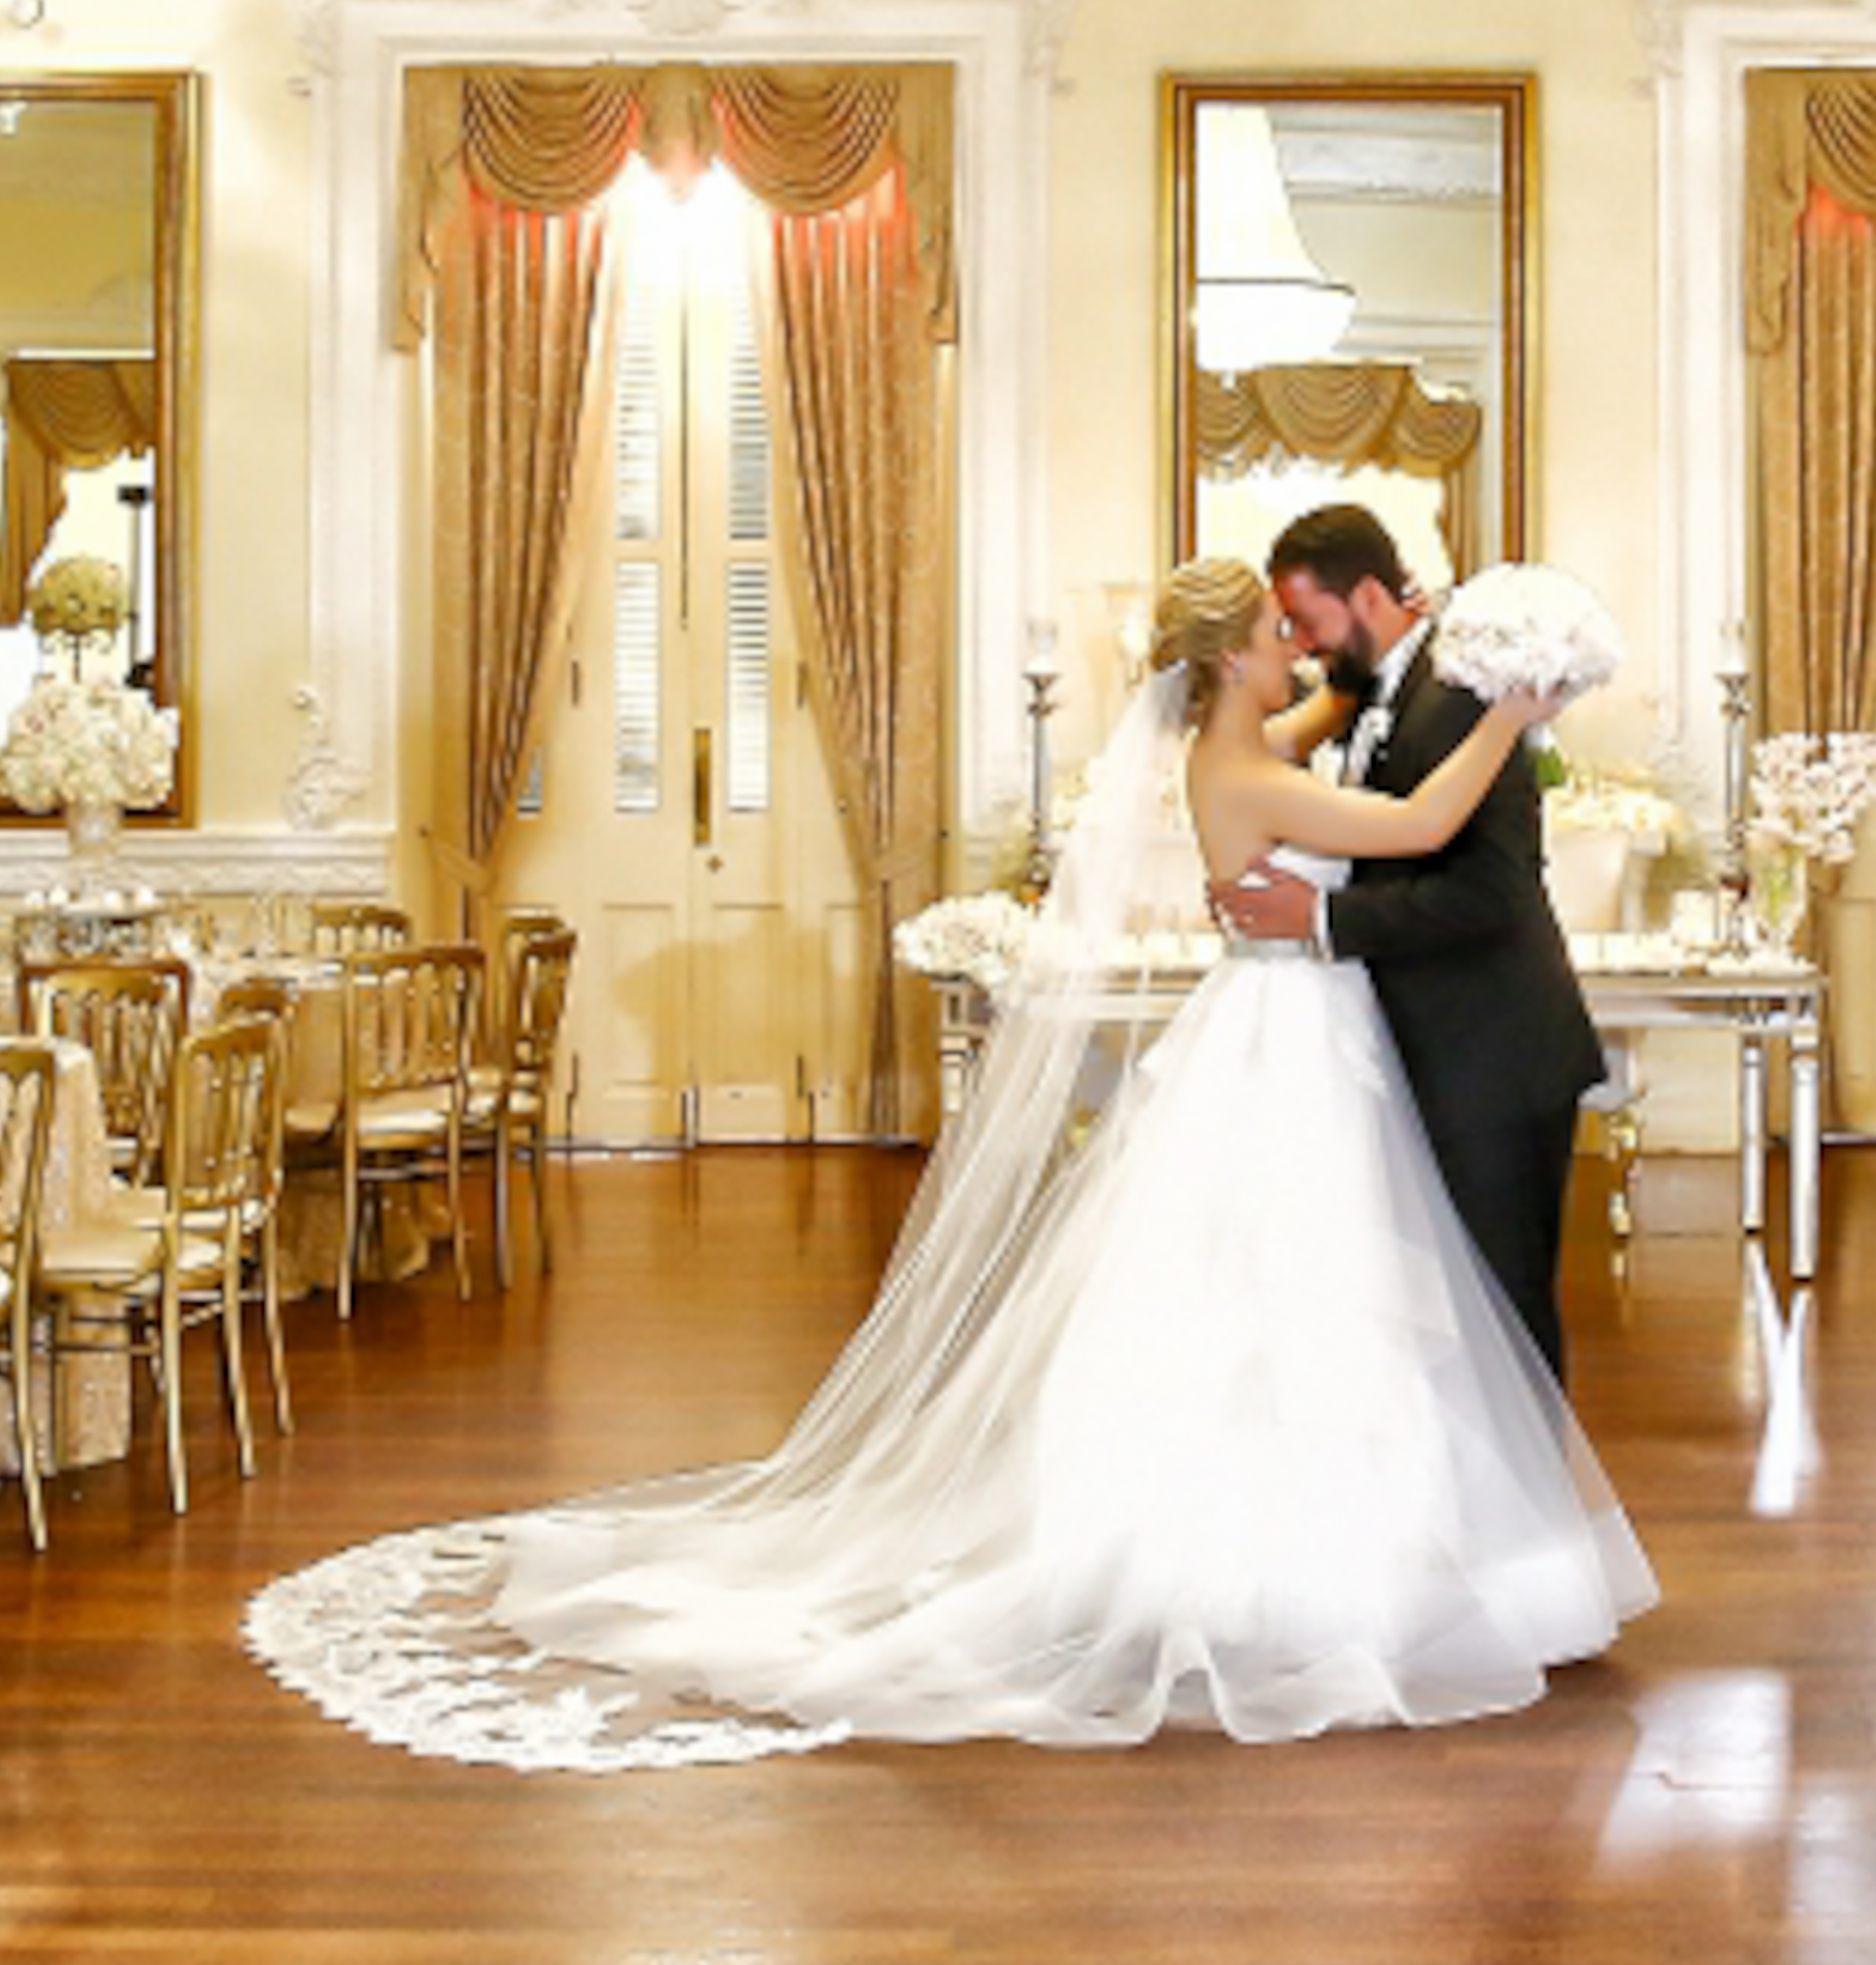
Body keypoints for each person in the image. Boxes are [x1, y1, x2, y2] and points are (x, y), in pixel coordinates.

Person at [253, 559, 1651, 1759]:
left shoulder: (1240, 738)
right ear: (1231, 654)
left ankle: (1358, 1545)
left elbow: (1326, 711)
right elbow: (1410, 827)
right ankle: (1293, 1565)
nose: (1304, 646)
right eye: (1276, 633)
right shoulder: (1237, 765)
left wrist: (1416, 664)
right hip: (1288, 1042)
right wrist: (1512, 719)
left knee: (1295, 1299)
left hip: (1290, 1034)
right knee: (1288, 1293)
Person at [1221, 505, 1613, 1375]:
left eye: (1311, 621)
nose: (1305, 643)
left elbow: (1494, 888)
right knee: (1447, 1310)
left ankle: (1533, 1501)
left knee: (1506, 1302)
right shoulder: (1383, 687)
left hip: (1494, 1057)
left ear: (1366, 594)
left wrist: (1323, 919)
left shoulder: (1465, 697)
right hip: (1435, 1048)